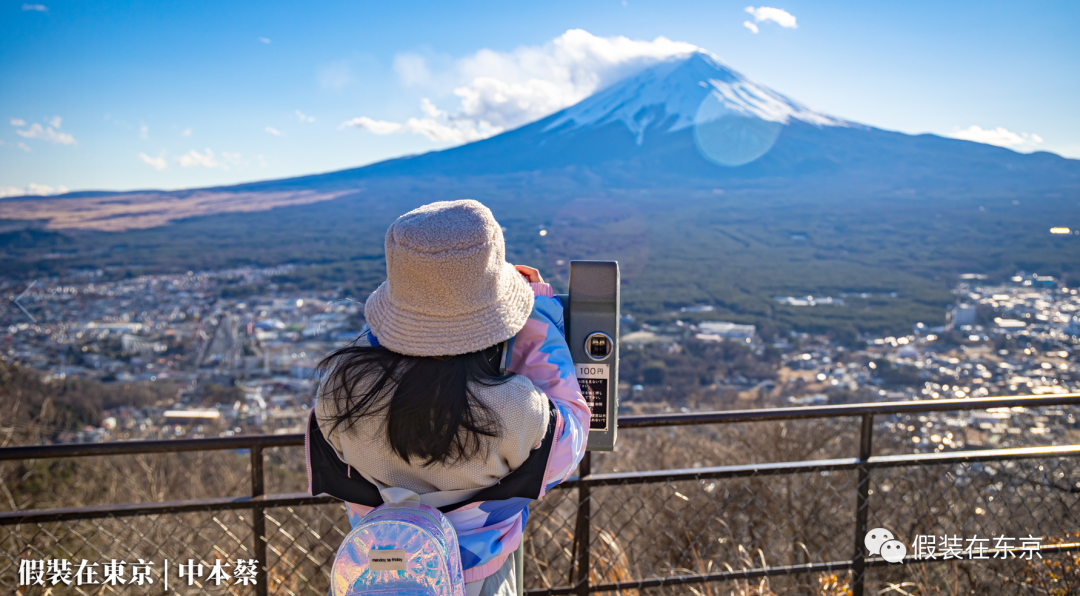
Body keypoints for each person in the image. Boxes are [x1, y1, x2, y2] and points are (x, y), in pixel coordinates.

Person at [306, 199, 589, 596]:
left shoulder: (342, 389)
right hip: (479, 578)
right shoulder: (517, 409)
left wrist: (396, 334)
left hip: (376, 576)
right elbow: (571, 436)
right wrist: (538, 317)